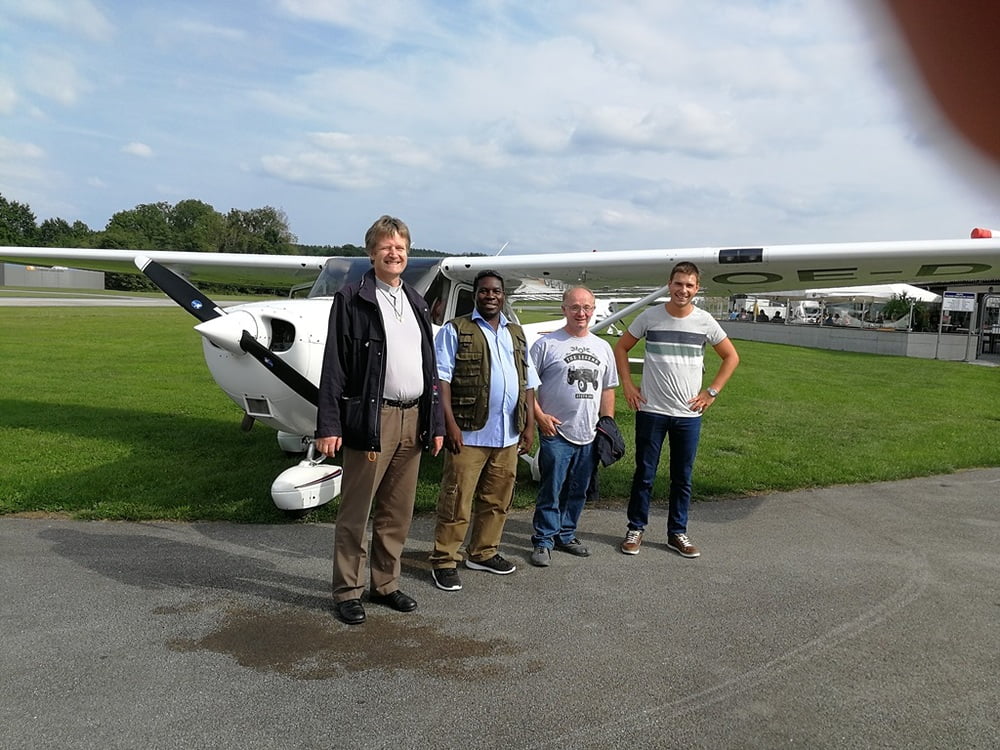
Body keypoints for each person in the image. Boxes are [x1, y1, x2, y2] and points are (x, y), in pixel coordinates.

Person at [315, 215, 444, 625]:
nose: (394, 253)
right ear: (372, 253)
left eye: (400, 247)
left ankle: (385, 584)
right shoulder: (352, 299)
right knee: (357, 512)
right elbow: (334, 364)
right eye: (386, 246)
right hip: (374, 417)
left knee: (397, 512)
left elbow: (430, 367)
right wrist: (329, 425)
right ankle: (347, 590)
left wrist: (436, 423)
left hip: (414, 417)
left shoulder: (417, 302)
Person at [613, 261, 739, 558]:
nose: (683, 290)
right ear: (669, 285)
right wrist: (628, 385)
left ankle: (677, 533)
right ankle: (636, 528)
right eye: (678, 284)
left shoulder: (705, 321)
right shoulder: (650, 316)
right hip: (652, 410)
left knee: (682, 477)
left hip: (688, 415)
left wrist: (711, 392)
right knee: (645, 474)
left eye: (689, 285)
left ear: (697, 289)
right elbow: (621, 347)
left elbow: (731, 357)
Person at [428, 269, 539, 591]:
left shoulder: (515, 333)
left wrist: (529, 425)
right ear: (475, 294)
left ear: (503, 296)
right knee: (457, 500)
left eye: (496, 291)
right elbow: (441, 380)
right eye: (484, 291)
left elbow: (528, 382)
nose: (490, 296)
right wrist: (449, 424)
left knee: (497, 499)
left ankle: (483, 552)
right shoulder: (455, 330)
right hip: (469, 433)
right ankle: (445, 560)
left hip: (507, 435)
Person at [528, 286, 618, 567]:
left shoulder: (602, 347)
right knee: (551, 488)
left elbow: (607, 388)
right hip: (556, 431)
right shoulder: (546, 344)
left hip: (589, 432)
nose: (581, 313)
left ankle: (565, 534)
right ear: (564, 309)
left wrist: (607, 424)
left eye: (587, 307)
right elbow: (527, 387)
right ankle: (543, 539)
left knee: (579, 489)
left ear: (593, 310)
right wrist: (540, 417)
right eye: (575, 307)